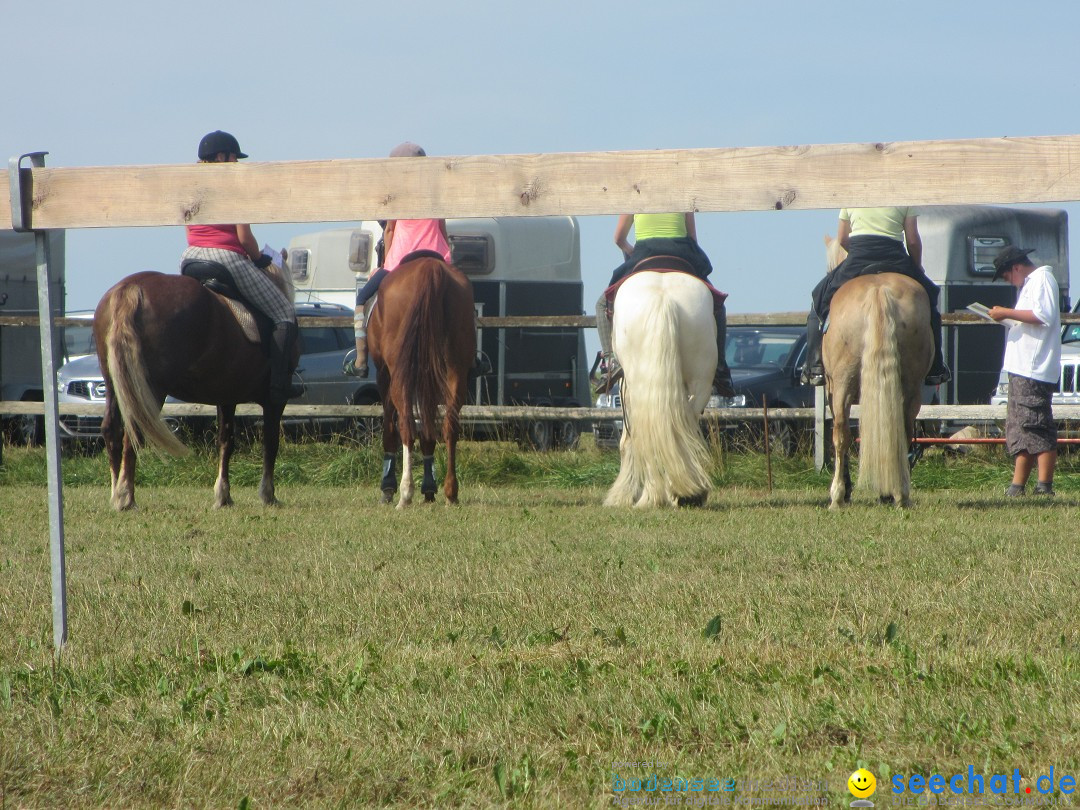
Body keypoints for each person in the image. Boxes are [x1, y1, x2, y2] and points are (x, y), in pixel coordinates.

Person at [181, 130, 303, 403]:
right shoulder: (234, 188)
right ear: (222, 157)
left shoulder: (191, 185)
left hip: (190, 258)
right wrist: (259, 258)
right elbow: (245, 238)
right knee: (284, 313)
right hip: (225, 259)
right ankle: (279, 386)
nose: (236, 163)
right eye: (234, 157)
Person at [802, 206, 951, 387]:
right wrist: (917, 267)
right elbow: (912, 241)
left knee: (818, 299)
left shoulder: (852, 194)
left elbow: (841, 239)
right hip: (895, 257)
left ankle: (815, 365)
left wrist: (858, 252)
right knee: (931, 298)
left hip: (859, 255)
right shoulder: (905, 195)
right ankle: (936, 367)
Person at [594, 212, 734, 396]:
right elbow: (692, 238)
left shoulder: (635, 192)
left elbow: (619, 238)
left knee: (603, 304)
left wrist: (631, 251)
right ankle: (720, 370)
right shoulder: (682, 192)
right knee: (716, 304)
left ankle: (611, 362)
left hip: (644, 253)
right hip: (681, 253)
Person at [347, 142, 451, 378]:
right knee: (464, 295)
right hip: (438, 255)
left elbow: (391, 231)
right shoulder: (436, 194)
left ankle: (361, 359)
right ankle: (472, 355)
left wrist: (385, 265)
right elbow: (442, 228)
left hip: (402, 257)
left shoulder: (396, 196)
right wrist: (448, 258)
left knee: (362, 298)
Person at [989, 246, 1061, 497]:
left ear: (1016, 267)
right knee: (1022, 428)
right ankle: (1018, 485)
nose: (1010, 281)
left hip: (1033, 366)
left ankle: (1044, 485)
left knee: (1036, 425)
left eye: (1008, 276)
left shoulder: (1041, 280)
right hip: (1024, 366)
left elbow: (1043, 315)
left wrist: (1005, 313)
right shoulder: (1032, 284)